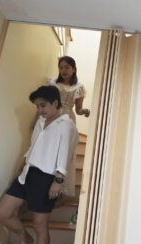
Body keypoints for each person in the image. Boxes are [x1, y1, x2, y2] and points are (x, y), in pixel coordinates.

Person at [0, 85, 78, 244]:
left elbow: (65, 153)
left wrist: (59, 179)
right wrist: (21, 168)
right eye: (38, 106)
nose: (40, 109)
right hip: (27, 173)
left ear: (55, 103)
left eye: (43, 105)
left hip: (46, 177)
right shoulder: (40, 121)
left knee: (40, 226)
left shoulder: (66, 125)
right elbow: (33, 147)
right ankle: (24, 237)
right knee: (1, 213)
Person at [48, 56, 89, 198]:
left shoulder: (79, 87)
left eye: (67, 67)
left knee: (65, 152)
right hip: (53, 117)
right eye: (61, 67)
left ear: (73, 69)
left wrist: (84, 112)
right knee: (50, 150)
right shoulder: (52, 83)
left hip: (68, 120)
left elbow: (78, 109)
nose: (63, 70)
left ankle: (60, 190)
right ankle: (46, 185)